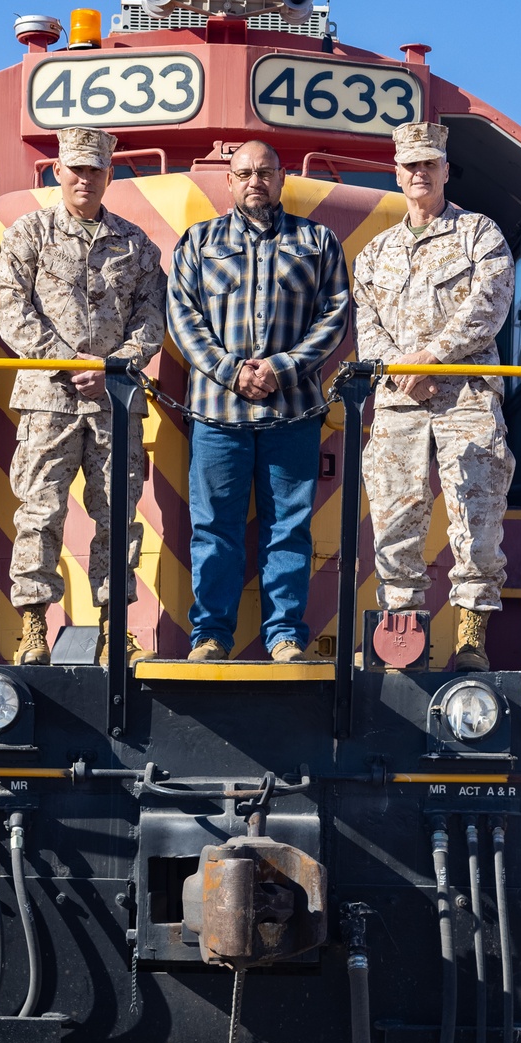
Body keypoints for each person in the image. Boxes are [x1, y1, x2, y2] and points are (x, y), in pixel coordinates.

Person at [167, 140, 349, 662]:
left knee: (289, 528)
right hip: (216, 415)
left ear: (282, 176)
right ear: (229, 180)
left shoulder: (318, 241)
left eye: (265, 172)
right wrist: (231, 372)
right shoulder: (197, 243)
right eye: (244, 172)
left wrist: (281, 369)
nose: (255, 181)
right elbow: (183, 317)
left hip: (292, 414)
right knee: (214, 528)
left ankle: (286, 636)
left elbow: (334, 316)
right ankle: (210, 636)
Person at [0, 126, 166, 666]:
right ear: (58, 172)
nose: (85, 179)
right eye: (76, 169)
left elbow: (151, 318)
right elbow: (9, 306)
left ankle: (117, 632)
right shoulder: (29, 235)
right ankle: (32, 631)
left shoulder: (136, 244)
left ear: (108, 175)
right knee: (38, 513)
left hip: (115, 401)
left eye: (95, 170)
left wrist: (112, 366)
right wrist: (67, 363)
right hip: (48, 400)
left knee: (117, 518)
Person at [353, 122, 515, 671]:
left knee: (476, 518)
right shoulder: (374, 254)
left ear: (445, 170)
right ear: (396, 174)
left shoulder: (480, 235)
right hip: (399, 403)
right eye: (410, 165)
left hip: (466, 399)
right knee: (396, 522)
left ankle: (471, 640)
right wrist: (401, 373)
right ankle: (403, 642)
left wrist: (428, 360)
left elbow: (489, 306)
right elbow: (368, 324)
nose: (419, 173)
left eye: (430, 164)